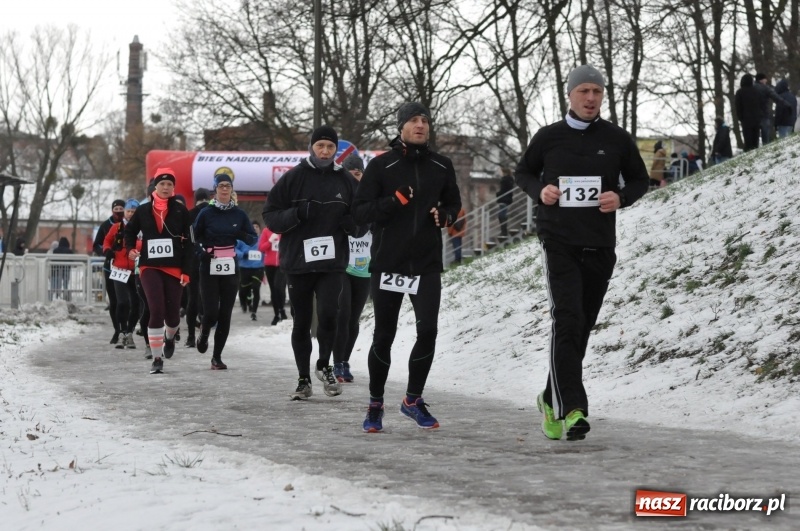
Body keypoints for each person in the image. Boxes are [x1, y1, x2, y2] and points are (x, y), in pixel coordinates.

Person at [514, 65, 649, 441]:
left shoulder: (617, 139)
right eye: (584, 91)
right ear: (570, 95)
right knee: (568, 319)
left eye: (597, 92)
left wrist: (620, 197)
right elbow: (522, 173)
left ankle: (549, 395)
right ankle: (572, 409)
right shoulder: (549, 137)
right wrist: (540, 191)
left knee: (581, 326)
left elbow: (640, 180)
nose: (591, 98)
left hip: (601, 244)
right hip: (558, 242)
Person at [353, 102, 462, 432]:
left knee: (428, 329)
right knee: (384, 335)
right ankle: (375, 404)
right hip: (389, 263)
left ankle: (412, 400)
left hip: (426, 264)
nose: (420, 125)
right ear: (400, 127)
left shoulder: (442, 166)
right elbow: (361, 211)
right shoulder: (382, 167)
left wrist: (445, 216)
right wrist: (392, 202)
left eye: (425, 120)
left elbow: (454, 204)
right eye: (414, 120)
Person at [262, 125, 358, 400]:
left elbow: (362, 217)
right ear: (312, 148)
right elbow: (270, 215)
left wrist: (353, 225)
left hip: (332, 263)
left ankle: (324, 365)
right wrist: (296, 213)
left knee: (330, 315)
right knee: (301, 322)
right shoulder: (294, 177)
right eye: (320, 146)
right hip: (298, 263)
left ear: (335, 150)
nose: (325, 151)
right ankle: (303, 378)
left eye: (330, 147)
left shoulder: (346, 181)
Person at [125, 168, 193, 374]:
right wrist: (130, 249)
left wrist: (187, 271)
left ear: (173, 188)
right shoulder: (144, 210)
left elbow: (190, 243)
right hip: (149, 266)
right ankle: (156, 358)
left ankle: (170, 337)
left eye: (169, 184)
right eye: (162, 184)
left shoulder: (181, 211)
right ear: (155, 186)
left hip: (174, 267)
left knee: (172, 316)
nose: (165, 187)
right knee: (156, 309)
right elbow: (129, 231)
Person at [193, 172, 258, 369]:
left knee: (225, 314)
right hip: (209, 265)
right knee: (211, 312)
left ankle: (217, 357)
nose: (224, 189)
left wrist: (241, 235)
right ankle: (204, 333)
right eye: (220, 186)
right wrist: (202, 253)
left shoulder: (239, 214)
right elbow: (194, 238)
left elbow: (252, 238)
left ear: (231, 189)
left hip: (230, 265)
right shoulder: (206, 213)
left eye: (227, 186)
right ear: (215, 189)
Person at [332, 153, 372, 383]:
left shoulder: (370, 201)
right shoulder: (339, 200)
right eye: (351, 174)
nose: (355, 178)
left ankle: (345, 361)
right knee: (343, 314)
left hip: (364, 267)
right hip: (342, 266)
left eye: (358, 173)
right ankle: (337, 362)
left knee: (354, 319)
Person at [103, 199, 140, 349]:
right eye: (128, 211)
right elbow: (106, 241)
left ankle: (129, 332)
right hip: (119, 269)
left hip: (136, 270)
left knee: (136, 304)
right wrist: (107, 251)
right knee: (122, 302)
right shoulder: (116, 227)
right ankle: (122, 331)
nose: (130, 214)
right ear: (124, 212)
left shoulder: (142, 228)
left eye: (133, 211)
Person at [94, 199, 126, 343]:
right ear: (112, 210)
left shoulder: (130, 225)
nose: (119, 211)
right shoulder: (106, 225)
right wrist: (105, 252)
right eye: (116, 208)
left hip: (126, 267)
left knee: (124, 301)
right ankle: (117, 330)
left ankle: (126, 328)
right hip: (110, 267)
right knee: (114, 301)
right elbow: (97, 244)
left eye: (121, 208)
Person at [184, 188, 211, 348]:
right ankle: (205, 333)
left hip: (192, 260)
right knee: (208, 297)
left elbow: (185, 239)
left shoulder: (189, 214)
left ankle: (191, 336)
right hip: (210, 258)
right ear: (208, 198)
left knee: (192, 297)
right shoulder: (213, 212)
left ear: (195, 199)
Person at [257, 224, 288, 326]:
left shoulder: (285, 230)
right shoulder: (266, 231)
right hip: (270, 265)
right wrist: (270, 241)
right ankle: (277, 314)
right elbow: (261, 248)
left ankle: (282, 310)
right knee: (273, 289)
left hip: (281, 264)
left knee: (279, 287)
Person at [235, 221, 265, 321]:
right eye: (253, 227)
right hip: (245, 267)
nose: (255, 228)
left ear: (260, 229)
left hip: (258, 267)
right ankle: (245, 303)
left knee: (256, 288)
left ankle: (254, 311)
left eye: (257, 227)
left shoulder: (262, 239)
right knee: (244, 290)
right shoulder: (243, 239)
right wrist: (243, 255)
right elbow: (235, 249)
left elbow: (267, 251)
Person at [754, 73, 787, 146]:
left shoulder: (752, 88)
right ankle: (765, 146)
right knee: (765, 135)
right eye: (765, 79)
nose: (766, 81)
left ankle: (755, 149)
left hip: (753, 115)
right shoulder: (765, 88)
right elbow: (776, 97)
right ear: (762, 80)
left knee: (754, 136)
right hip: (764, 113)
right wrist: (785, 104)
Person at [735, 74, 763, 152]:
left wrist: (740, 118)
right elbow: (761, 104)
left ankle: (748, 151)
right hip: (756, 118)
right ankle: (755, 151)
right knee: (755, 138)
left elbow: (738, 106)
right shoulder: (756, 91)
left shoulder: (740, 92)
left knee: (748, 139)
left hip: (746, 119)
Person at [51, 237, 73, 301]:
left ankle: (58, 296)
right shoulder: (69, 251)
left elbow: (53, 260)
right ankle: (65, 296)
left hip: (57, 269)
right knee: (66, 283)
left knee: (58, 284)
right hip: (66, 269)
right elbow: (72, 260)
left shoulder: (55, 250)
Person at [496, 167, 514, 237]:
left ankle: (504, 232)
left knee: (501, 215)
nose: (500, 173)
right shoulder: (508, 179)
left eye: (501, 172)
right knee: (501, 215)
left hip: (504, 199)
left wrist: (498, 194)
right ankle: (503, 231)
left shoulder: (505, 180)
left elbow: (504, 190)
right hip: (505, 199)